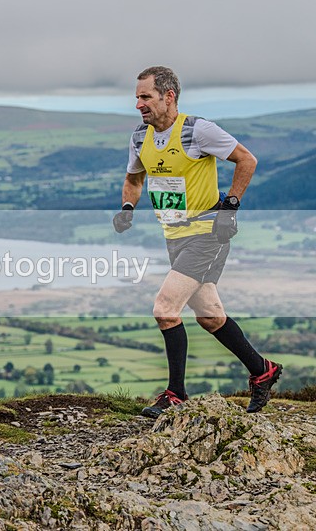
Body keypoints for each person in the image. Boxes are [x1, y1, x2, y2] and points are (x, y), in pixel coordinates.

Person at [114, 66, 282, 419]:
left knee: (164, 308)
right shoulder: (139, 138)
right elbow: (133, 179)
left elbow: (246, 160)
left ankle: (176, 394)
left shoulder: (197, 130)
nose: (138, 104)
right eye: (137, 97)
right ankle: (262, 370)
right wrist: (128, 207)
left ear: (168, 96)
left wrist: (230, 206)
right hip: (173, 235)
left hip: (207, 233)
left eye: (145, 97)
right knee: (209, 316)